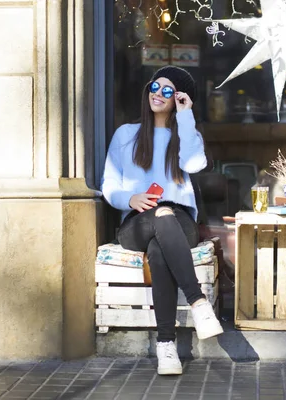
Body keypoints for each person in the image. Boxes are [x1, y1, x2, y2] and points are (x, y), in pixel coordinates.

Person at [101, 66, 223, 375]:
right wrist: (130, 199)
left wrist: (185, 117)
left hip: (178, 220)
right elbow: (109, 186)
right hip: (136, 221)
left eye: (168, 91)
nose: (159, 93)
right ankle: (199, 304)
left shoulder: (184, 135)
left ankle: (166, 346)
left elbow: (196, 163)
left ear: (179, 98)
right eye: (156, 86)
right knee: (158, 221)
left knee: (159, 250)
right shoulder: (126, 134)